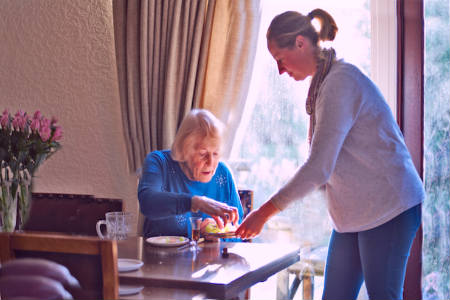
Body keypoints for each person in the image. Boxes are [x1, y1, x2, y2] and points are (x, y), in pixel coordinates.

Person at [235, 8, 424, 300]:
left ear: (300, 43)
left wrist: (264, 213)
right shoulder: (323, 84)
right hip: (353, 216)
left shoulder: (340, 82)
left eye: (280, 59)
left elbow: (318, 168)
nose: (280, 70)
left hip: (389, 207)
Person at [138, 108, 243, 239]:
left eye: (215, 153)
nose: (211, 162)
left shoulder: (223, 173)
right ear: (184, 150)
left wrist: (218, 234)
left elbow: (239, 231)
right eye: (203, 154)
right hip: (160, 258)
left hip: (212, 259)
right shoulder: (159, 162)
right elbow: (147, 202)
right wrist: (195, 202)